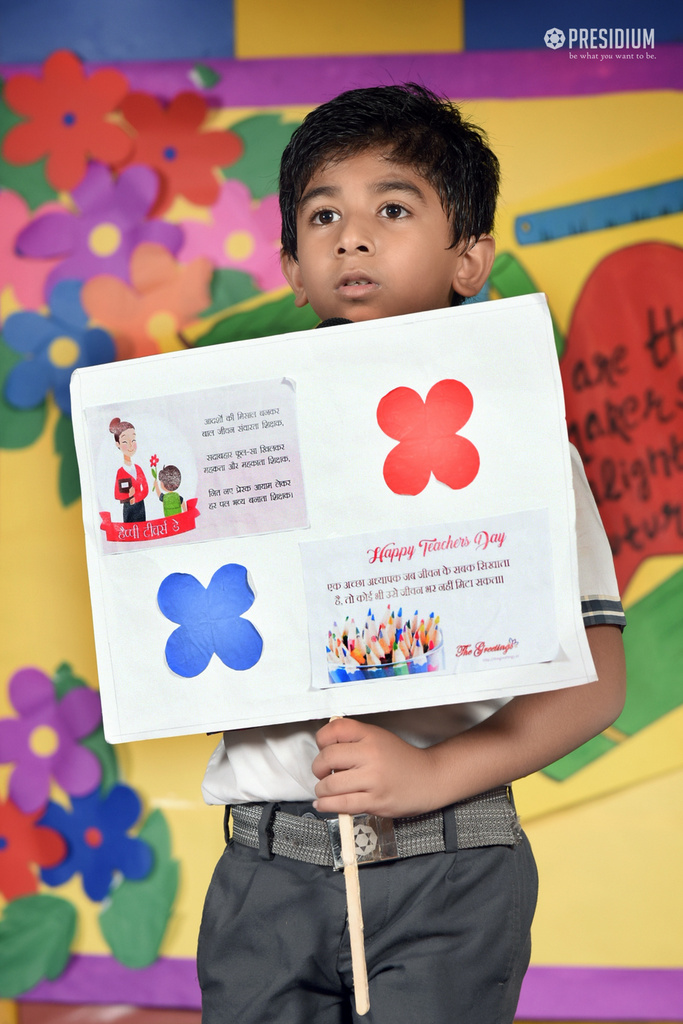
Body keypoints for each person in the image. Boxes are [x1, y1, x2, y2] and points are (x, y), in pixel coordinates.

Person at [197, 83, 626, 1024]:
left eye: (392, 208)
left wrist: (428, 774)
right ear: (293, 268)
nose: (352, 235)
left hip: (450, 867)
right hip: (260, 874)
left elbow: (597, 682)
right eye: (323, 214)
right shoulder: (226, 454)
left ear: (469, 258)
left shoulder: (523, 452)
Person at [109, 417, 149, 523]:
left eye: (133, 440)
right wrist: (128, 496)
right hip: (128, 508)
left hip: (140, 506)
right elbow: (117, 494)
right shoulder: (120, 472)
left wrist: (136, 496)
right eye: (125, 441)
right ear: (118, 444)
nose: (131, 445)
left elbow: (145, 488)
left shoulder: (138, 469)